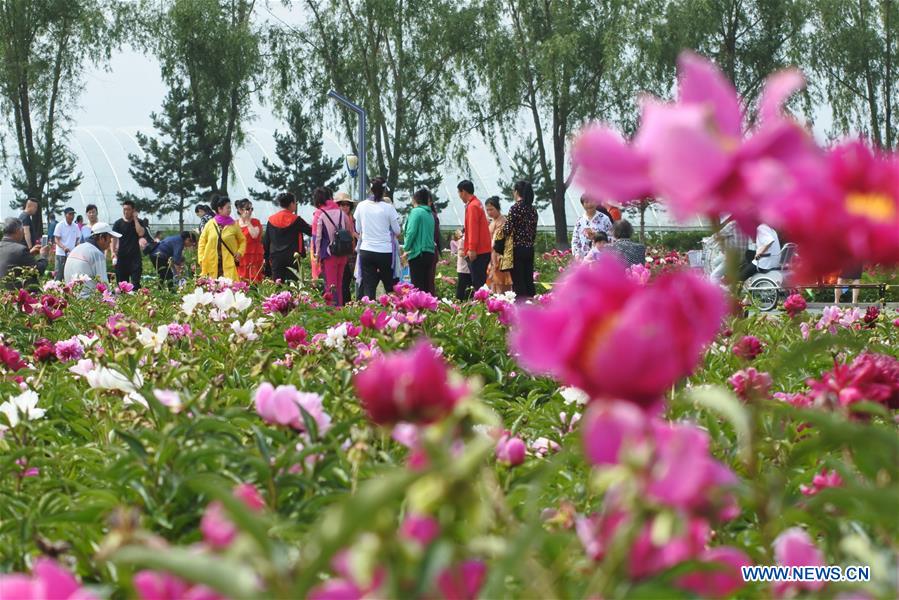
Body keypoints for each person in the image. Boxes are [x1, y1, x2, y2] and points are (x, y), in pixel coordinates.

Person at [355, 177, 402, 299]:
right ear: (384, 190)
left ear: (370, 189)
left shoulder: (361, 206)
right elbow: (397, 231)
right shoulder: (388, 208)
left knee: (369, 287)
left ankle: (368, 311)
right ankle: (394, 311)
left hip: (367, 250)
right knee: (389, 286)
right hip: (385, 252)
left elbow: (358, 229)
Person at [312, 187, 351, 306]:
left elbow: (317, 237)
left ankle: (331, 312)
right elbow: (349, 230)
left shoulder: (319, 214)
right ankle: (339, 308)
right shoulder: (341, 212)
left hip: (329, 254)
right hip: (343, 253)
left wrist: (317, 254)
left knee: (330, 285)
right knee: (339, 284)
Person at [264, 192, 313, 282]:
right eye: (295, 203)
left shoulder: (271, 220)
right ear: (291, 204)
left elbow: (266, 241)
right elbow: (311, 231)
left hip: (276, 258)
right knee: (294, 284)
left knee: (277, 284)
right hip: (292, 258)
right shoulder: (296, 220)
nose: (296, 205)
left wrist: (266, 259)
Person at [64, 222, 120, 297]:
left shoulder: (77, 248)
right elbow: (104, 285)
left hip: (71, 297)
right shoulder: (97, 254)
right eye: (109, 238)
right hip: (88, 301)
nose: (110, 242)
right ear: (101, 238)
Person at [198, 195, 246, 280]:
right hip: (212, 264)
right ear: (219, 209)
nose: (230, 210)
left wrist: (240, 252)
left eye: (230, 208)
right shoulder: (210, 224)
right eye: (228, 208)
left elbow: (243, 240)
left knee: (229, 289)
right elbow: (202, 242)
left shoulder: (234, 224)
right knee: (212, 288)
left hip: (228, 264)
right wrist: (201, 259)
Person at [504, 180, 538, 298]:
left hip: (517, 249)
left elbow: (507, 230)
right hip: (529, 249)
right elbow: (533, 231)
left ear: (516, 192)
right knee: (529, 280)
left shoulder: (515, 208)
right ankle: (532, 305)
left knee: (518, 282)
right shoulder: (533, 209)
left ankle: (521, 308)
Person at [457, 180, 491, 292]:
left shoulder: (472, 206)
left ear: (464, 192)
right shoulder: (477, 204)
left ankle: (481, 306)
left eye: (459, 192)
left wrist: (471, 248)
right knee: (480, 281)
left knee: (478, 283)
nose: (459, 196)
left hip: (478, 251)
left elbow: (472, 228)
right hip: (484, 250)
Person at [0, 218, 51, 290]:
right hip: (20, 294)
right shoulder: (21, 250)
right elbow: (38, 270)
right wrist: (43, 255)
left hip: (4, 293)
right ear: (18, 231)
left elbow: (12, 260)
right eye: (22, 230)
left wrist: (29, 254)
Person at [403, 189, 437, 293]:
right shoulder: (430, 214)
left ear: (415, 199)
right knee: (427, 286)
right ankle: (428, 307)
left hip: (418, 253)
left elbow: (411, 232)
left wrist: (406, 247)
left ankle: (419, 308)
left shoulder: (416, 212)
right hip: (429, 253)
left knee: (418, 286)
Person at [112, 200, 148, 286]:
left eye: (128, 209)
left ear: (133, 210)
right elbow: (113, 239)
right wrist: (113, 252)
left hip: (135, 258)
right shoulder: (118, 223)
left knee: (135, 284)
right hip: (122, 258)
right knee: (122, 286)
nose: (126, 211)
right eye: (124, 209)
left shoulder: (139, 222)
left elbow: (141, 233)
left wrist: (135, 219)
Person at [485, 196, 513, 294]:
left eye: (491, 209)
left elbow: (495, 243)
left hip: (499, 257)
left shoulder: (502, 221)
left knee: (501, 285)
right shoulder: (493, 221)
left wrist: (494, 262)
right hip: (492, 256)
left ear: (498, 208)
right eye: (487, 210)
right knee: (494, 285)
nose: (489, 212)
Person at [572, 196, 613, 260]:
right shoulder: (580, 220)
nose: (589, 204)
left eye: (592, 201)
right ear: (583, 205)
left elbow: (611, 237)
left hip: (601, 259)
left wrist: (597, 236)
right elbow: (575, 239)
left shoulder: (604, 219)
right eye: (586, 202)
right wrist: (577, 254)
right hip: (584, 259)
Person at [335, 191, 359, 302]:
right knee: (343, 285)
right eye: (342, 204)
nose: (345, 207)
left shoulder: (354, 220)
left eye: (347, 204)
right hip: (341, 255)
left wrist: (355, 235)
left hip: (353, 255)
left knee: (356, 282)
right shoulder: (335, 220)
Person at [234, 198, 264, 282]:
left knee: (254, 278)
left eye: (251, 208)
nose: (250, 211)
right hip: (241, 255)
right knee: (241, 277)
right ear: (240, 210)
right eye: (247, 208)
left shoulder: (255, 222)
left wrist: (247, 221)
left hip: (254, 255)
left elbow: (254, 235)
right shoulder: (235, 224)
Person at [53, 207, 81, 281]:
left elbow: (77, 239)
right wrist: (63, 247)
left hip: (71, 255)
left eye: (73, 214)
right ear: (65, 215)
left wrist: (77, 248)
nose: (72, 216)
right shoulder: (60, 225)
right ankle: (56, 290)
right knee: (59, 274)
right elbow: (56, 239)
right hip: (61, 254)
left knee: (70, 275)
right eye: (70, 214)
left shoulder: (75, 226)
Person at [426, 194, 442, 296]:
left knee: (428, 281)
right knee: (428, 280)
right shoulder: (432, 215)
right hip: (431, 251)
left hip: (429, 250)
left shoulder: (431, 216)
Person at [451, 230, 472, 301]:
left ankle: (468, 302)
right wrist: (470, 254)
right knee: (461, 286)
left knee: (470, 287)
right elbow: (460, 253)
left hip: (470, 268)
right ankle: (458, 302)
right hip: (463, 268)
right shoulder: (462, 240)